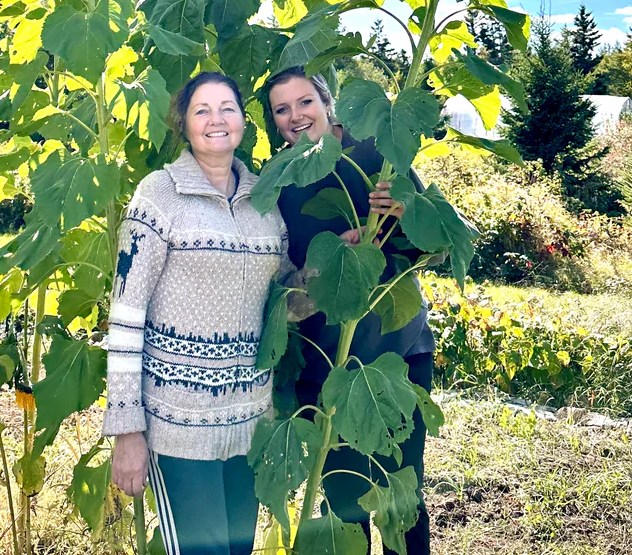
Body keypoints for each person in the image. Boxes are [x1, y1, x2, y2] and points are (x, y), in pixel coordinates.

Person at [104, 71, 296, 555]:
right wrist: (127, 430)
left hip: (249, 423)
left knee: (238, 549)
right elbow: (126, 319)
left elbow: (283, 302)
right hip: (177, 427)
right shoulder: (158, 196)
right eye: (202, 110)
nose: (216, 120)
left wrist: (337, 263)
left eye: (227, 108)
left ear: (244, 123)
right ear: (184, 125)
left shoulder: (265, 203)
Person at [263, 66, 436, 555]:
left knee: (402, 496)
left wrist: (408, 208)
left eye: (305, 103)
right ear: (275, 121)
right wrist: (328, 265)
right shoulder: (280, 180)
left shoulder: (376, 153)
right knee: (342, 499)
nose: (296, 116)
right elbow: (282, 281)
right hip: (324, 363)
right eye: (282, 109)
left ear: (327, 103)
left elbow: (438, 242)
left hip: (395, 351)